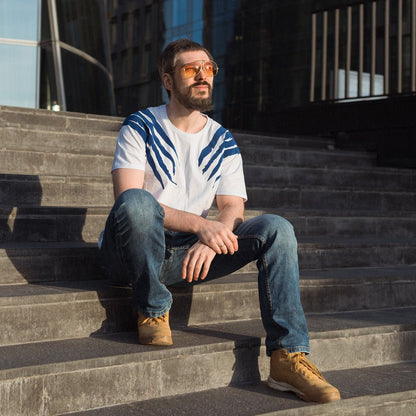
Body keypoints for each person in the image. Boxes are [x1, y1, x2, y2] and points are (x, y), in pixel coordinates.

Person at [99, 38, 341, 404]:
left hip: (187, 256)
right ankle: (152, 308)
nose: (202, 76)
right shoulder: (141, 125)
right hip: (131, 252)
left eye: (208, 68)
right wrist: (201, 225)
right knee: (138, 202)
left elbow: (232, 207)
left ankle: (287, 355)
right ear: (168, 80)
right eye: (190, 69)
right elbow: (127, 199)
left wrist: (213, 235)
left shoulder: (223, 141)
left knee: (277, 228)